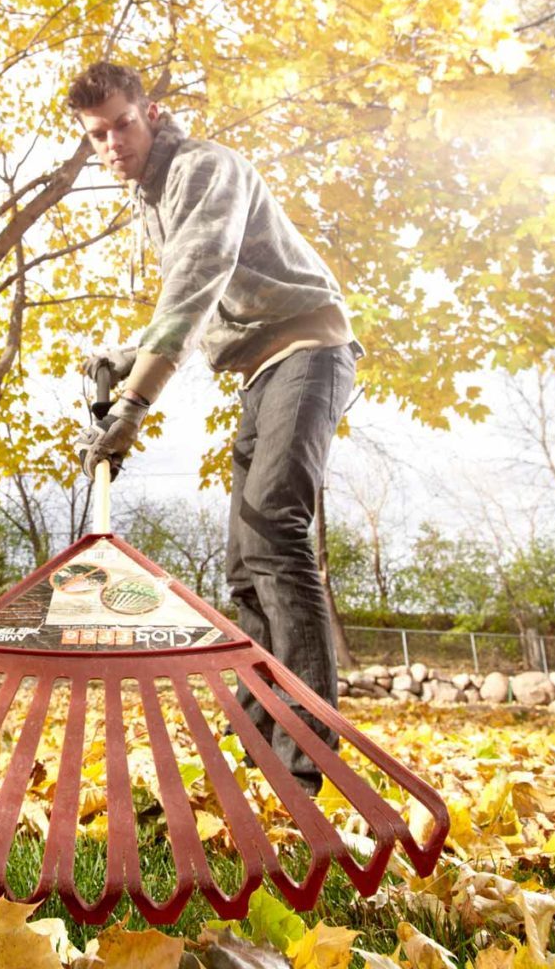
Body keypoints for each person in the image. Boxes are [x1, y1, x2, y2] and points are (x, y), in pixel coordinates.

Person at [68, 61, 361, 796]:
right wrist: (127, 357)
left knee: (273, 532)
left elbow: (194, 287)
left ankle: (304, 759)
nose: (111, 145)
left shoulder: (204, 169)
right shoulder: (157, 198)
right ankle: (260, 747)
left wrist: (135, 403)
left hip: (310, 350)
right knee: (242, 563)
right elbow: (196, 309)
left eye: (122, 125)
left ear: (153, 113)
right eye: (96, 136)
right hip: (263, 368)